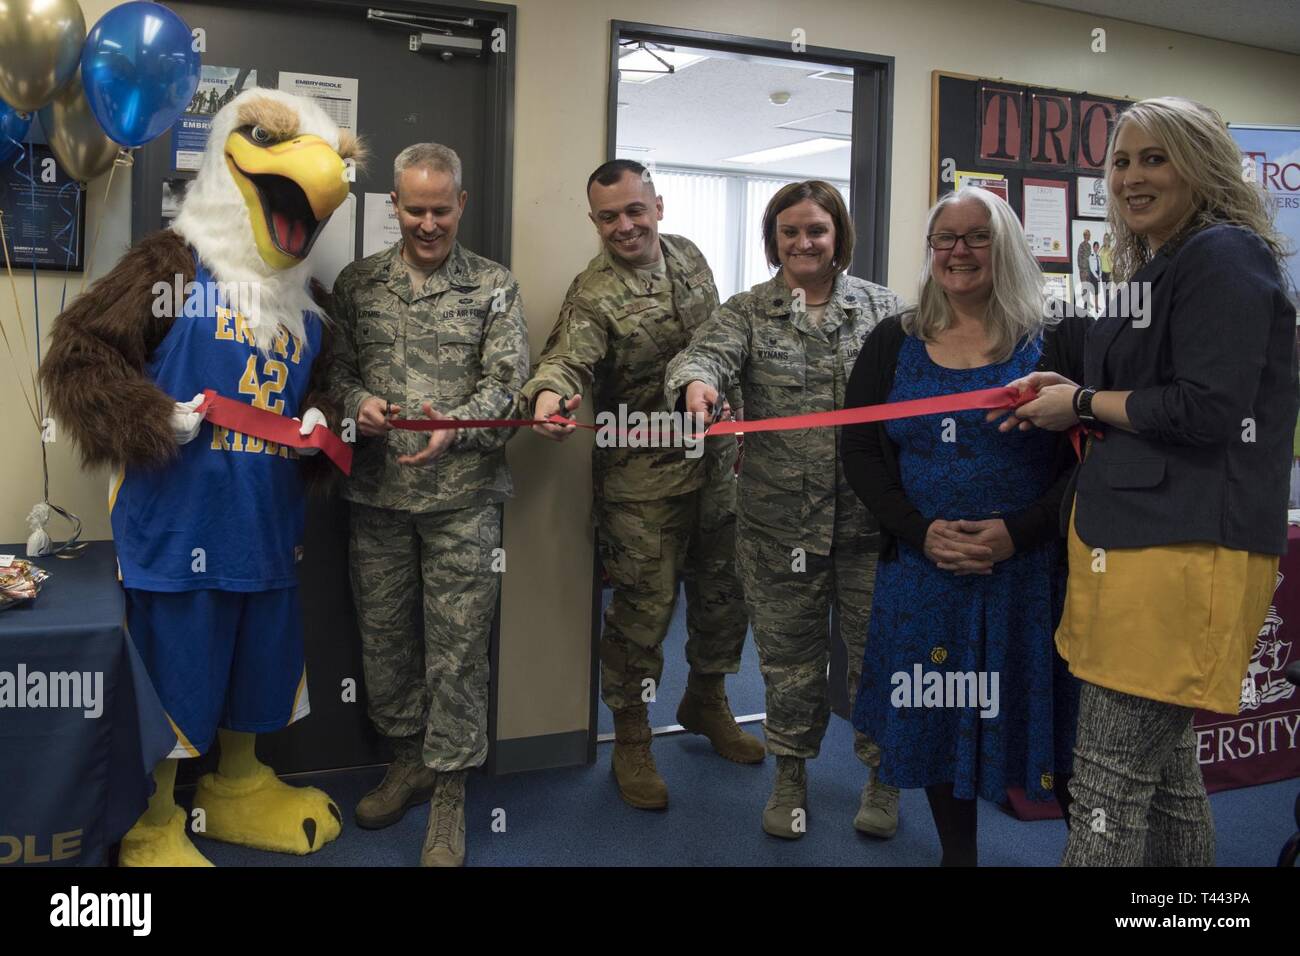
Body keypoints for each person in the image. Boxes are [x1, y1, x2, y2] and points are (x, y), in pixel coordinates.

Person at [1005, 96, 1299, 866]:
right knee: (1166, 783)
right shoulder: (1171, 260)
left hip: (1184, 549)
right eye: (1122, 162)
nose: (1132, 178)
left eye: (1154, 158)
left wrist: (1080, 403)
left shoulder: (1223, 255)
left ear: (1201, 166)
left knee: (1105, 790)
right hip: (1139, 544)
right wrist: (1069, 384)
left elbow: (1207, 408)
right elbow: (1151, 386)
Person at [842, 186, 1086, 866]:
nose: (958, 250)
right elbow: (860, 447)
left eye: (976, 236)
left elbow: (1095, 454)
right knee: (939, 725)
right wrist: (919, 531)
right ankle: (959, 857)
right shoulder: (896, 338)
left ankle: (1098, 857)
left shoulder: (1057, 333)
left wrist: (1022, 530)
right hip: (926, 573)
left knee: (1056, 732)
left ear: (1004, 244)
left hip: (1031, 574)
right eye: (945, 237)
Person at [665, 180, 906, 839]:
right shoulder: (747, 311)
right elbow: (704, 355)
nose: (804, 242)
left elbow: (925, 380)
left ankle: (884, 781)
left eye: (817, 231)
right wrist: (698, 384)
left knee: (877, 659)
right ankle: (791, 777)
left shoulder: (884, 309)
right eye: (790, 230)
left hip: (868, 525)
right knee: (790, 662)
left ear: (838, 238)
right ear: (774, 237)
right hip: (779, 528)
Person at [520, 159, 759, 811]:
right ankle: (631, 740)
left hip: (715, 467)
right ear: (594, 220)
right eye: (608, 217)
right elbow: (564, 360)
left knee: (722, 594)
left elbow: (718, 345)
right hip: (642, 486)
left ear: (658, 205)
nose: (624, 226)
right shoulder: (594, 291)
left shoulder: (690, 256)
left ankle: (706, 700)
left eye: (634, 210)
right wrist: (546, 396)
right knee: (642, 618)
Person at [328, 143, 530, 867]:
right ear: (394, 205)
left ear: (461, 204)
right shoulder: (358, 284)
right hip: (377, 497)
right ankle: (407, 761)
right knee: (384, 643)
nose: (427, 222)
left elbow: (511, 388)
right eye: (414, 209)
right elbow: (335, 374)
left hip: (463, 503)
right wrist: (358, 401)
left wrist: (458, 426)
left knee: (456, 653)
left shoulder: (492, 286)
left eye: (440, 208)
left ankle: (450, 792)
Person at [1076, 228, 1096, 314]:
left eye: (1089, 235)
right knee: (1084, 287)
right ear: (1085, 236)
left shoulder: (1089, 246)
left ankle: (1088, 302)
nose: (1088, 236)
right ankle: (1085, 304)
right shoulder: (1081, 245)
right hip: (1083, 271)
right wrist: (1082, 269)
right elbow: (1079, 258)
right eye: (1087, 235)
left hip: (1088, 270)